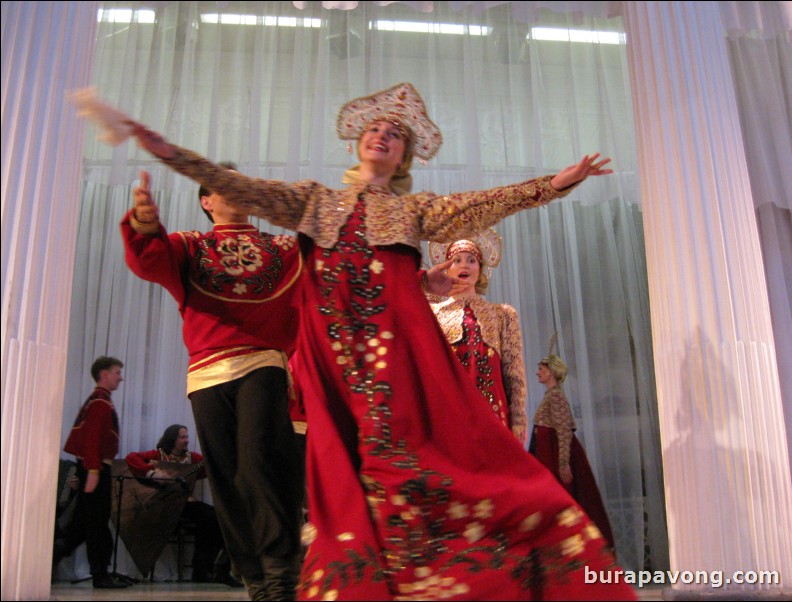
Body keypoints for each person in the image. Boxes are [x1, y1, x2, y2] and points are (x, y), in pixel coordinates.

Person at [126, 82, 634, 600]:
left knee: (422, 461)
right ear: (356, 144)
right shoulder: (315, 202)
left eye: (395, 134)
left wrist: (555, 183)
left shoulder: (413, 210)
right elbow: (246, 190)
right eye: (375, 129)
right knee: (339, 470)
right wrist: (167, 152)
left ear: (405, 155)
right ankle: (327, 577)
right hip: (334, 363)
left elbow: (483, 204)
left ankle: (430, 568)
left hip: (396, 356)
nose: (383, 136)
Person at [120, 165, 305, 600]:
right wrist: (144, 222)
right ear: (207, 201)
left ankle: (280, 574)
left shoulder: (282, 248)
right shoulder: (190, 246)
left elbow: (339, 273)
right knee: (227, 477)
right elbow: (149, 260)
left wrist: (414, 281)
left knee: (261, 464)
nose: (237, 192)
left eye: (244, 185)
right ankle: (254, 577)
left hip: (263, 362)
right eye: (225, 187)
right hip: (205, 371)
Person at [428, 229, 528, 445]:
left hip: (493, 413)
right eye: (456, 260)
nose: (464, 265)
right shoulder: (432, 312)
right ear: (446, 268)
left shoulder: (503, 314)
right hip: (449, 413)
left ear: (480, 268)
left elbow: (514, 374)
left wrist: (519, 420)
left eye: (471, 260)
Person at [125, 424, 240, 586]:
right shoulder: (158, 455)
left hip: (185, 505)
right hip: (162, 506)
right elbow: (131, 458)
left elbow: (212, 466)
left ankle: (202, 569)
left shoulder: (193, 458)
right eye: (182, 437)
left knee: (214, 518)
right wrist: (151, 472)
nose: (186, 440)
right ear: (172, 439)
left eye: (187, 437)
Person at [529, 347, 617, 553]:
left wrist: (563, 461)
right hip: (545, 452)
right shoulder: (551, 396)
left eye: (541, 368)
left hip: (553, 455)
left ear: (550, 371)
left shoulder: (556, 397)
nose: (537, 372)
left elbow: (563, 430)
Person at [61, 356, 131, 589]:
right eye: (116, 372)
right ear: (104, 374)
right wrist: (93, 470)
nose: (120, 377)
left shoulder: (100, 400)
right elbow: (92, 439)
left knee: (81, 527)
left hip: (94, 467)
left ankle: (51, 558)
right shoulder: (100, 402)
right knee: (97, 524)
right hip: (95, 468)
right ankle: (100, 575)